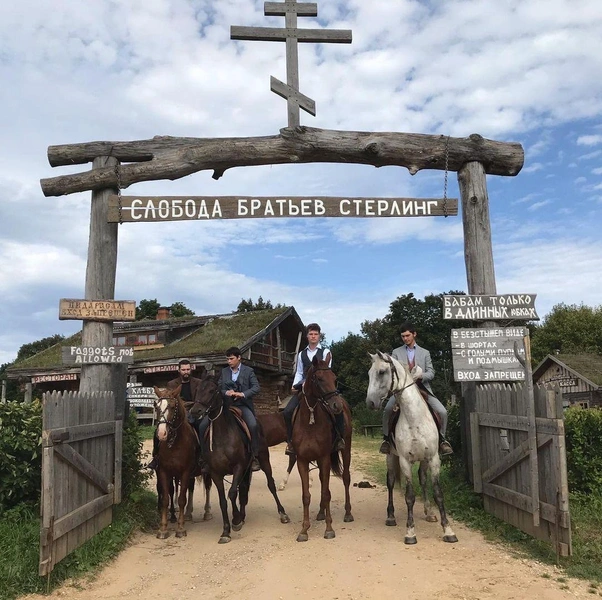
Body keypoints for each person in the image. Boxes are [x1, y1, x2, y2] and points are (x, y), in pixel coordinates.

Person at [380, 322, 453, 456]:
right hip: (401, 391)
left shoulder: (425, 353)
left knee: (442, 411)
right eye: (403, 336)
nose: (405, 339)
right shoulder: (396, 352)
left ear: (414, 334)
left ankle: (442, 440)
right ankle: (386, 440)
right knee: (388, 409)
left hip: (422, 388)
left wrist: (421, 375)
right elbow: (394, 372)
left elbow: (431, 372)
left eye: (407, 335)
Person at [283, 323, 345, 456]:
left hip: (323, 388)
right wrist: (295, 385)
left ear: (319, 336)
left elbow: (326, 371)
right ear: (307, 336)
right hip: (304, 387)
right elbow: (299, 372)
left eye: (316, 334)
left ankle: (339, 437)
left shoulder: (326, 352)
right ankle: (291, 441)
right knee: (288, 411)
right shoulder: (301, 354)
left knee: (338, 409)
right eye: (311, 334)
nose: (313, 336)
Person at [198, 346, 261, 472]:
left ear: (239, 358)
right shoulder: (224, 371)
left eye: (231, 359)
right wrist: (227, 392)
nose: (229, 361)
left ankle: (254, 456)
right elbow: (218, 388)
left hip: (243, 405)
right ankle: (203, 458)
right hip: (226, 406)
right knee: (202, 425)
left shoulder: (249, 371)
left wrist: (241, 394)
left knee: (253, 425)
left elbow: (256, 388)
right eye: (227, 359)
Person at [146, 358, 205, 470]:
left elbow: (198, 400)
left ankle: (202, 456)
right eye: (183, 369)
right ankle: (156, 456)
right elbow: (168, 399)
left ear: (191, 369)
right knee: (158, 430)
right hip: (176, 413)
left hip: (193, 411)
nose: (186, 372)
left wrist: (190, 407)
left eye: (188, 369)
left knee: (201, 427)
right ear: (179, 370)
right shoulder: (172, 384)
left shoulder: (198, 383)